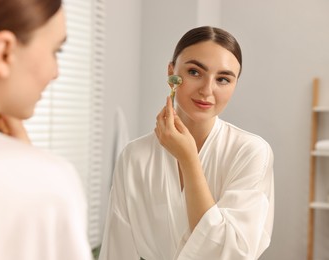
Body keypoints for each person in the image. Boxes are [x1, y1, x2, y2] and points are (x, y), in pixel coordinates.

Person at [99, 26, 274, 260]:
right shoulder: (135, 155)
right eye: (194, 72)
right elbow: (117, 250)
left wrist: (188, 159)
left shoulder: (250, 152)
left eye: (223, 79)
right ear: (171, 72)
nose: (207, 90)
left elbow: (231, 252)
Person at [0, 0, 92, 259]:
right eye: (56, 51)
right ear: (4, 52)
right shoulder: (43, 181)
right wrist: (30, 169)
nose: (55, 72)